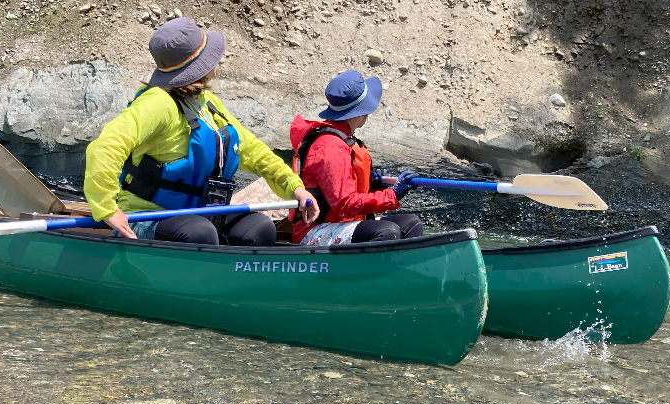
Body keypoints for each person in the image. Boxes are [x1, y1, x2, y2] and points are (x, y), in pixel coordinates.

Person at [83, 17, 319, 244]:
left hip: (200, 214)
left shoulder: (207, 102)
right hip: (148, 217)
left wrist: (294, 187)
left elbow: (252, 150)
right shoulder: (158, 103)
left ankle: (230, 271)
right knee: (199, 233)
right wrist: (107, 209)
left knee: (258, 229)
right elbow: (105, 147)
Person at [288, 70, 425, 246]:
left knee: (411, 223)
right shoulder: (330, 146)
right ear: (360, 112)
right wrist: (392, 194)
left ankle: (400, 263)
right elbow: (344, 204)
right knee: (387, 231)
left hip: (341, 224)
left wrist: (374, 187)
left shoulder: (342, 139)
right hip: (313, 230)